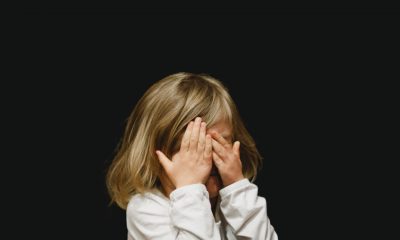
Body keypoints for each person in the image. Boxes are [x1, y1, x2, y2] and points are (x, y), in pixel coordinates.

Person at [106, 72, 278, 239]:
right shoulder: (145, 209)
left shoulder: (234, 202)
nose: (209, 158)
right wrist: (190, 189)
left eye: (219, 144)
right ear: (158, 154)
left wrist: (237, 188)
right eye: (195, 147)